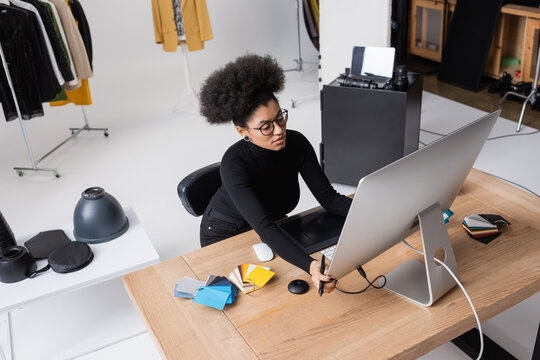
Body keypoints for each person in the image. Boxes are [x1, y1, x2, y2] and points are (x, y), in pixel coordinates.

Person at [198, 54, 352, 294]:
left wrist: (375, 214)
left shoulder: (297, 143)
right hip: (225, 234)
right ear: (242, 131)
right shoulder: (234, 164)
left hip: (271, 226)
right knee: (253, 297)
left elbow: (329, 199)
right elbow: (264, 227)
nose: (279, 130)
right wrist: (311, 267)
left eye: (280, 117)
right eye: (266, 126)